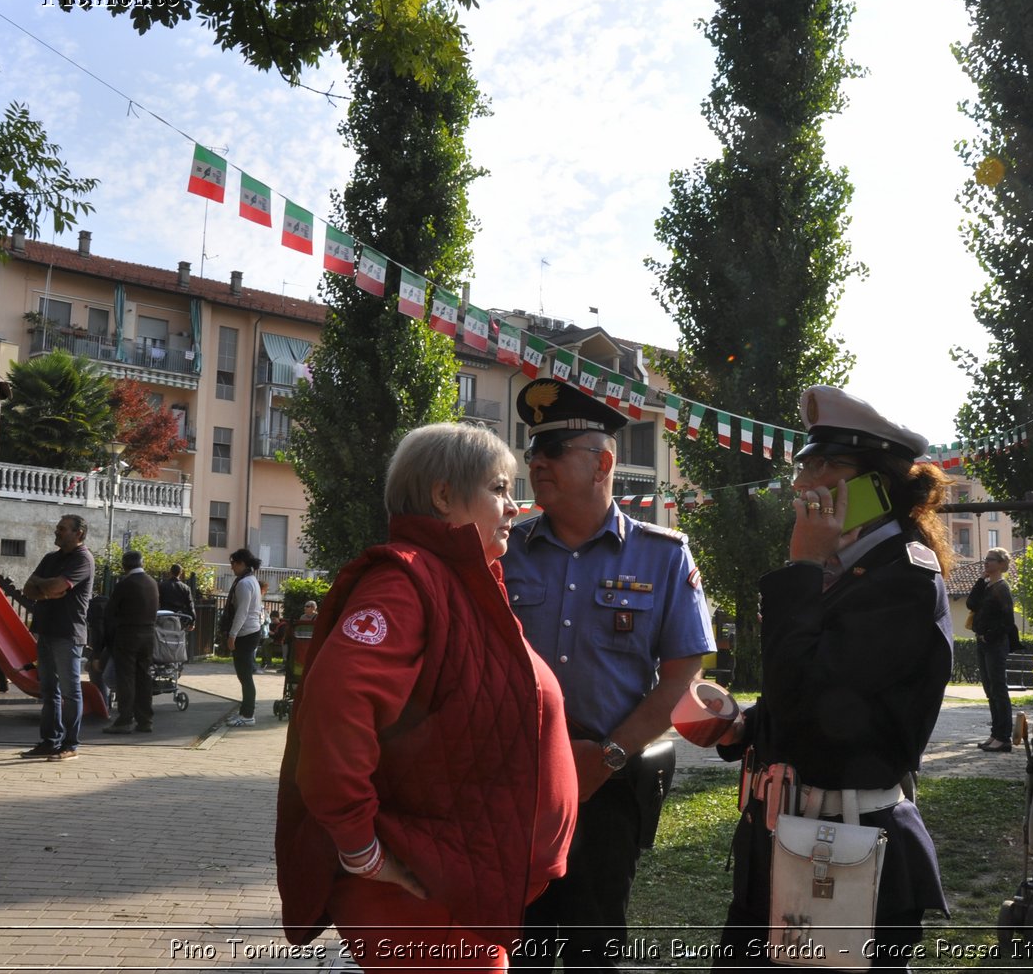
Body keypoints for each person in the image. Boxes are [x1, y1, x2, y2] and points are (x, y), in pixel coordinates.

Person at [276, 423, 577, 970]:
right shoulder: (406, 583)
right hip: (421, 897)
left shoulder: (458, 579)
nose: (514, 507)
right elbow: (334, 708)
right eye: (499, 488)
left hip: (458, 883)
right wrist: (361, 850)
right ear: (443, 496)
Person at [710, 385, 953, 970]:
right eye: (805, 464)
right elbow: (803, 701)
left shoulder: (904, 580)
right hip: (788, 836)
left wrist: (800, 568)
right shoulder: (846, 570)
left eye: (825, 465)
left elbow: (815, 701)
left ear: (878, 484)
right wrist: (744, 726)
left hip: (844, 845)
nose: (802, 484)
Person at [502, 379, 715, 970]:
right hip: (512, 788)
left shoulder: (663, 554)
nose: (535, 462)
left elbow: (680, 678)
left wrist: (610, 757)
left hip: (608, 789)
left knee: (593, 952)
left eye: (552, 451)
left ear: (602, 462)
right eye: (532, 451)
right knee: (516, 953)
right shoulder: (503, 550)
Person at [19, 514, 95, 762]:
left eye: (62, 529)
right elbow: (28, 588)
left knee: (70, 690)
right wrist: (48, 588)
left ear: (78, 534)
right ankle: (49, 742)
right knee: (49, 690)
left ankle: (70, 744)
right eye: (57, 528)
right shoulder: (51, 558)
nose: (57, 532)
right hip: (46, 630)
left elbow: (53, 587)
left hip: (68, 634)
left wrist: (46, 587)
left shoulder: (83, 559)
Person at [102, 550, 160, 736]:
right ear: (142, 563)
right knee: (144, 677)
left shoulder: (125, 584)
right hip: (148, 634)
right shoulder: (152, 583)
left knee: (126, 677)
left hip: (128, 633)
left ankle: (124, 719)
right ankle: (145, 720)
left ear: (124, 565)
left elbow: (110, 612)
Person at [965, 546, 1016, 752]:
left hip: (994, 645)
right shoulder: (987, 586)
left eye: (991, 560)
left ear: (1002, 565)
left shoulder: (1002, 589)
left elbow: (1007, 622)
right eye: (986, 559)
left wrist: (989, 635)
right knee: (990, 690)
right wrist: (980, 580)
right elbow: (971, 603)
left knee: (998, 690)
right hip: (983, 644)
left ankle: (1004, 737)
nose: (986, 562)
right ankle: (995, 734)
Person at [225, 548, 265, 727]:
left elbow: (242, 611)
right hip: (251, 630)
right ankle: (245, 712)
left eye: (233, 563)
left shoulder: (244, 583)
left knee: (245, 676)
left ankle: (248, 715)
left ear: (241, 563)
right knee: (245, 675)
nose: (231, 567)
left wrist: (232, 635)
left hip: (245, 633)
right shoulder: (251, 581)